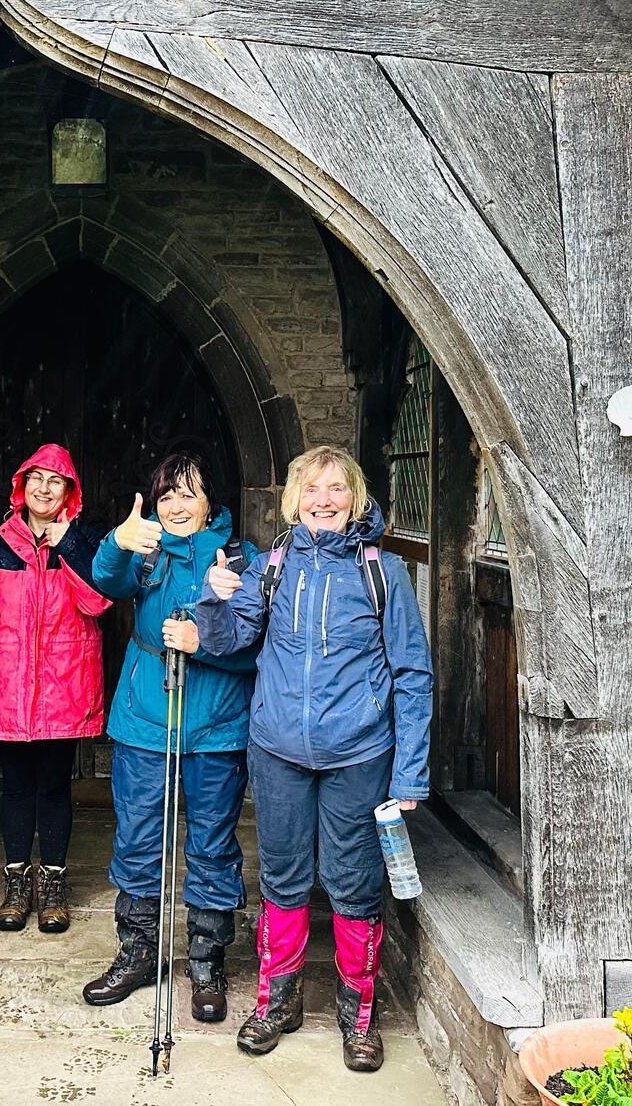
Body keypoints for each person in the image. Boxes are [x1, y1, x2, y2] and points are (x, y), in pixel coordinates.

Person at [196, 444, 433, 1073]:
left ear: (355, 498)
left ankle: (360, 1016)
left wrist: (409, 768)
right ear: (293, 500)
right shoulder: (272, 566)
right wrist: (215, 597)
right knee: (282, 878)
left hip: (359, 754)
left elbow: (413, 673)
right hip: (278, 751)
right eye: (310, 489)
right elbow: (229, 639)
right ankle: (279, 1001)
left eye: (335, 489)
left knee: (354, 884)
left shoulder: (384, 573)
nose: (322, 500)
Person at [82, 452, 259, 1024]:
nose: (177, 505)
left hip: (215, 727)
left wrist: (200, 641)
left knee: (212, 843)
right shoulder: (147, 551)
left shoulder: (242, 560)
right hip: (144, 719)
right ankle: (137, 953)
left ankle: (206, 962)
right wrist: (117, 538)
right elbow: (104, 580)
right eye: (167, 496)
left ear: (211, 502)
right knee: (137, 838)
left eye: (189, 493)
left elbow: (255, 648)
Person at [0, 444, 111, 935]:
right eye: (36, 479)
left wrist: (67, 545)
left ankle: (52, 884)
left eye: (56, 481)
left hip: (61, 684)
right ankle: (16, 884)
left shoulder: (84, 541)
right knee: (16, 786)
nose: (44, 489)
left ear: (70, 491)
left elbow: (97, 602)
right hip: (7, 681)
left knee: (53, 786)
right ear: (20, 486)